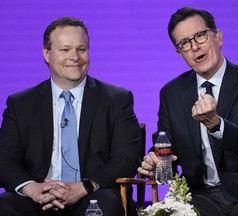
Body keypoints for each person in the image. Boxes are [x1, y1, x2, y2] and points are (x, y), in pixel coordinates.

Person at [138, 6, 238, 216]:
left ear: (218, 37)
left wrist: (215, 124)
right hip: (201, 196)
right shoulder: (171, 93)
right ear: (179, 52)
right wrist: (159, 166)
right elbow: (167, 152)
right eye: (184, 43)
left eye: (200, 36)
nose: (195, 47)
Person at [0, 16, 141, 216]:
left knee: (106, 206)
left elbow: (126, 159)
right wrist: (33, 189)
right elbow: (5, 160)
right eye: (65, 50)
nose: (75, 57)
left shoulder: (117, 100)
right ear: (47, 54)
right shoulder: (20, 104)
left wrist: (83, 187)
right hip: (37, 198)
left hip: (91, 194)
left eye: (81, 49)